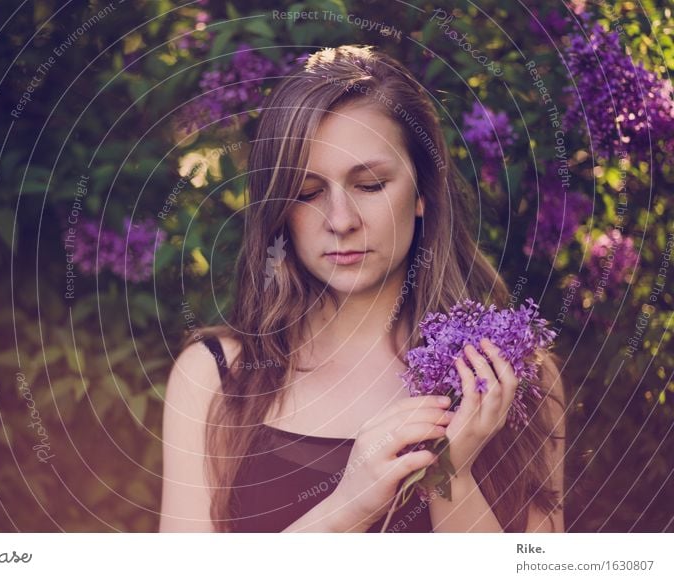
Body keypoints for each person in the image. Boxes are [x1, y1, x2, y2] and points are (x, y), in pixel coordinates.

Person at [159, 45, 566, 533]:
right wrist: (350, 505)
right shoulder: (216, 377)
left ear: (421, 194)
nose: (341, 221)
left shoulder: (508, 377)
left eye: (370, 184)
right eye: (308, 193)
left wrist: (447, 471)